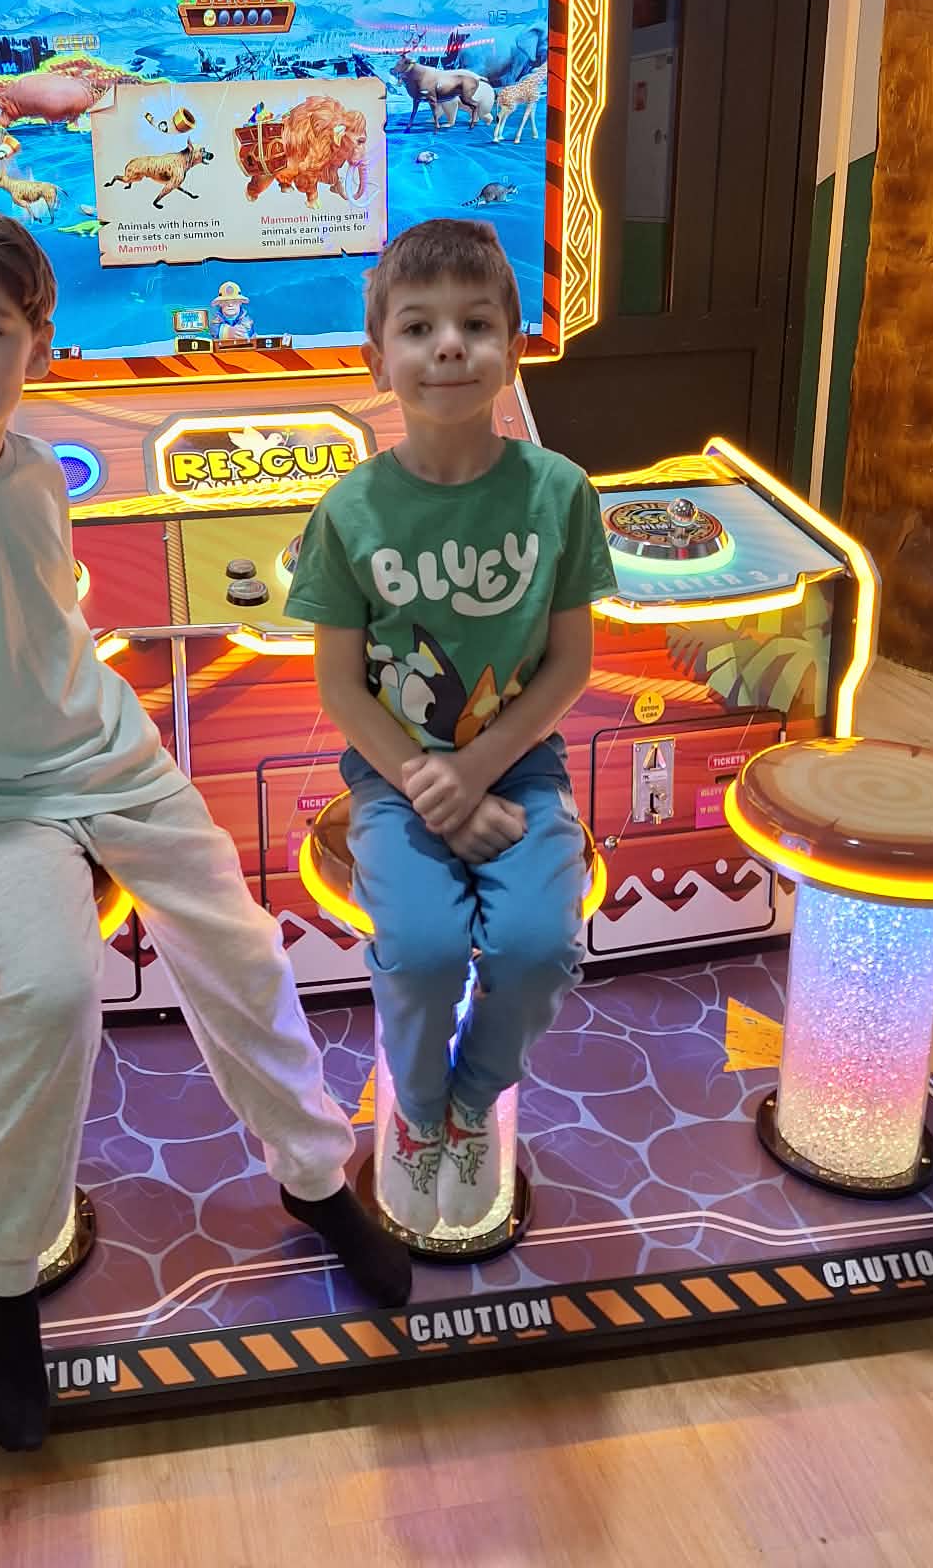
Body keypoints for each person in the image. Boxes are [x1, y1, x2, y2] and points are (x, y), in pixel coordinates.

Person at [0, 198, 409, 1452]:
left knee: (240, 943)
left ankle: (310, 1176)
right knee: (53, 990)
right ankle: (3, 1279)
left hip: (113, 759)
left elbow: (38, 627)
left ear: (36, 341)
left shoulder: (30, 468)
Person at [288, 219, 617, 1235]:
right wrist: (432, 785)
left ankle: (472, 1100)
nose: (448, 346)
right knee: (425, 948)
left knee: (538, 943)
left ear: (512, 349)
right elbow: (341, 688)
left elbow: (570, 662)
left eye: (476, 324)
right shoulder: (348, 512)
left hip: (520, 767)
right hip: (393, 776)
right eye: (418, 326)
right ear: (375, 356)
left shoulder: (559, 492)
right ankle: (418, 1109)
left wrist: (473, 773)